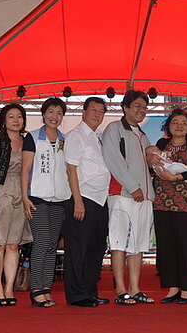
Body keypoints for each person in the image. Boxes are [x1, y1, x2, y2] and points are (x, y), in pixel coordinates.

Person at [102, 90, 157, 306]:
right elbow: (113, 160)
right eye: (137, 106)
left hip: (145, 197)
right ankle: (120, 290)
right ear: (125, 107)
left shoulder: (143, 136)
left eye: (144, 107)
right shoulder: (114, 129)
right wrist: (133, 187)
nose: (141, 110)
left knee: (138, 243)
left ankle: (135, 289)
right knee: (119, 242)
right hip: (123, 195)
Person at [21, 98, 69, 308]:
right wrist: (25, 197)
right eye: (50, 112)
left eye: (59, 113)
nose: (54, 117)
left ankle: (46, 288)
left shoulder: (65, 140)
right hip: (37, 198)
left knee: (51, 245)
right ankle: (36, 289)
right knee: (41, 242)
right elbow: (25, 169)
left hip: (59, 199)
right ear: (43, 114)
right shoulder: (32, 138)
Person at [0, 104, 32, 307]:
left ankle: (10, 287)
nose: (16, 120)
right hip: (0, 193)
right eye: (11, 117)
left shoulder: (28, 141)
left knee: (13, 244)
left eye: (19, 116)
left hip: (21, 195)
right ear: (3, 120)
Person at [63, 97, 111, 308]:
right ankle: (77, 295)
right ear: (83, 112)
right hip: (83, 198)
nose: (97, 115)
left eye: (101, 111)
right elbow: (71, 169)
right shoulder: (76, 135)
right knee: (78, 249)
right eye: (93, 110)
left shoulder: (98, 138)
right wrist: (78, 200)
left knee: (96, 248)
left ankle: (90, 291)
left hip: (101, 200)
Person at [152, 109, 187, 304]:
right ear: (168, 126)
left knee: (186, 247)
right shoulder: (161, 144)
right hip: (162, 202)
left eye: (183, 123)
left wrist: (177, 177)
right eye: (175, 122)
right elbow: (151, 167)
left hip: (186, 203)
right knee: (166, 246)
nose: (179, 126)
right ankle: (172, 288)